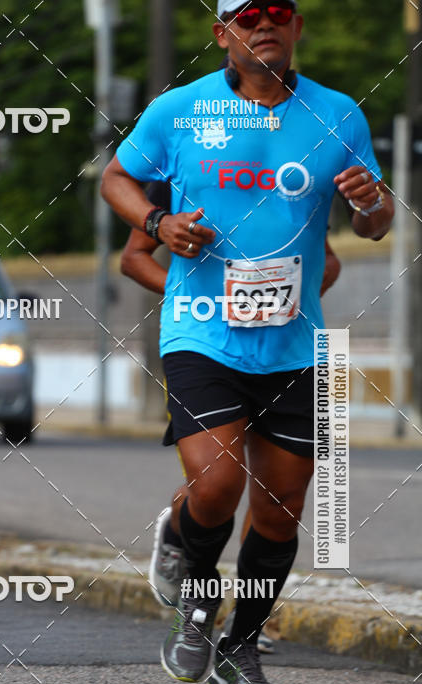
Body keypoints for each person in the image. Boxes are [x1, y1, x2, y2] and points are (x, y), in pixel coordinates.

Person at [102, 0, 393, 684]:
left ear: (296, 28)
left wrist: (370, 202)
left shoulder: (339, 114)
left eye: (279, 13)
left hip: (293, 343)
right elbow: (116, 178)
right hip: (201, 331)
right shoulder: (179, 109)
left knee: (281, 508)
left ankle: (240, 650)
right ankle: (195, 592)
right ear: (222, 32)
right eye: (248, 14)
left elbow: (376, 224)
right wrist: (159, 223)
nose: (265, 24)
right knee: (216, 485)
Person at [122, 182, 342, 655]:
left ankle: (243, 632)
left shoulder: (298, 173)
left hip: (286, 354)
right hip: (207, 347)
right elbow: (133, 258)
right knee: (218, 485)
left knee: (276, 500)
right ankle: (181, 540)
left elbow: (329, 260)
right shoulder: (183, 168)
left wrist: (284, 302)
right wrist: (199, 293)